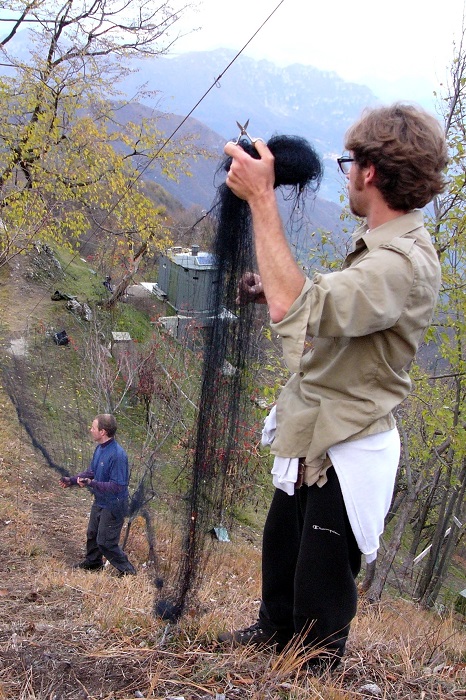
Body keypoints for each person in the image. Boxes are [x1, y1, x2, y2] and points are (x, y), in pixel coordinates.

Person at [218, 104, 448, 670]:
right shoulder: (377, 244)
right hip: (315, 424)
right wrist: (267, 287)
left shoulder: (399, 262)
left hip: (348, 440)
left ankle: (315, 670)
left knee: (322, 575)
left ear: (370, 170)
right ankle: (273, 635)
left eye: (350, 162)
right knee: (282, 545)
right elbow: (324, 308)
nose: (345, 172)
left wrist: (263, 199)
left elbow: (301, 304)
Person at [60, 413, 136, 577]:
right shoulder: (100, 449)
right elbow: (92, 472)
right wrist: (72, 480)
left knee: (105, 542)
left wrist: (91, 484)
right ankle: (93, 563)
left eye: (93, 427)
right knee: (92, 534)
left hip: (114, 504)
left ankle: (128, 572)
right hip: (100, 501)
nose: (91, 430)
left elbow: (118, 485)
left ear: (102, 432)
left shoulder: (117, 455)